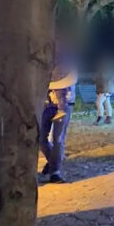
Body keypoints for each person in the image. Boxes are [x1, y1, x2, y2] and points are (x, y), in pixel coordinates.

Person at [39, 41, 78, 183]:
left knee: (58, 139)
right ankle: (53, 162)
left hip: (65, 104)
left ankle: (55, 171)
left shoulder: (68, 60)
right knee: (41, 139)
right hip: (45, 103)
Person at [94, 59, 114, 125]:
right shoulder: (109, 70)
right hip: (107, 89)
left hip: (105, 89)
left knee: (98, 103)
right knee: (107, 103)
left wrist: (96, 79)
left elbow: (102, 79)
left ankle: (100, 118)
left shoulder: (105, 71)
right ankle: (108, 118)